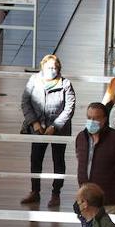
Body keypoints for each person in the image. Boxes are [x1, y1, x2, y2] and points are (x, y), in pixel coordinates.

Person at [19, 54, 76, 208]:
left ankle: (56, 193)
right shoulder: (33, 80)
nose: (52, 70)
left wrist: (54, 126)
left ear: (59, 69)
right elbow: (25, 102)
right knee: (35, 159)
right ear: (42, 67)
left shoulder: (66, 85)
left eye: (55, 68)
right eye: (49, 67)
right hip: (38, 128)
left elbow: (69, 109)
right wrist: (35, 123)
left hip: (59, 129)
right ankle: (34, 191)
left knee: (58, 160)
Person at [74, 103, 115, 214]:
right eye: (89, 118)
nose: (92, 121)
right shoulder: (81, 138)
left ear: (104, 119)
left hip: (111, 203)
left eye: (96, 118)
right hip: (87, 202)